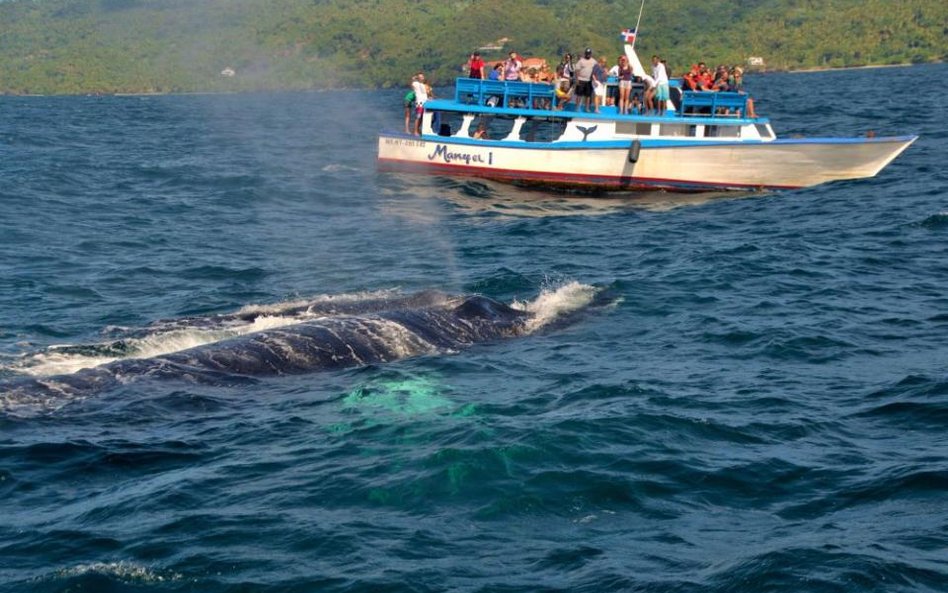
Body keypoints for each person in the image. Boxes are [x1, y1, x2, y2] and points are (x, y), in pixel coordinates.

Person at [572, 47, 597, 113]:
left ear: (591, 54)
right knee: (579, 95)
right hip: (581, 79)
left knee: (588, 95)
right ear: (585, 54)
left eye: (589, 54)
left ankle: (587, 108)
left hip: (589, 80)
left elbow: (597, 69)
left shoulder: (594, 61)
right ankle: (577, 108)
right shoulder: (581, 61)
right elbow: (577, 70)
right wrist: (577, 79)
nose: (588, 55)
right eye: (587, 53)